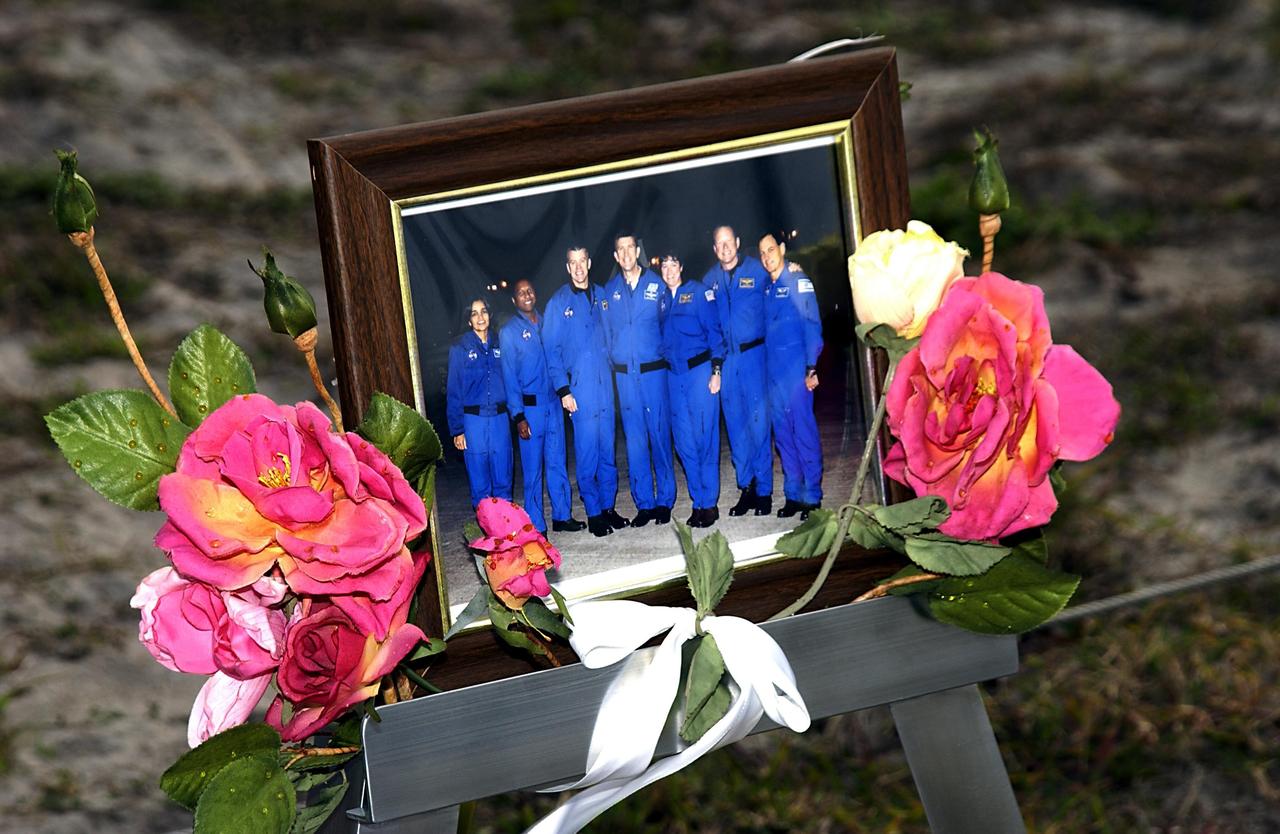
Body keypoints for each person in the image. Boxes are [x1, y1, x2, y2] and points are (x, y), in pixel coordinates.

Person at [542, 245, 629, 537]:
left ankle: (608, 507)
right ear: (568, 267)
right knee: (588, 454)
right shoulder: (558, 303)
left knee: (608, 453)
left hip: (606, 388)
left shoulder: (603, 296)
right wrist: (564, 390)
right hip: (580, 391)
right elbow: (551, 351)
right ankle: (593, 513)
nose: (578, 267)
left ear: (589, 263)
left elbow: (615, 335)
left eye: (582, 261)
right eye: (572, 263)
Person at [601, 232, 675, 526]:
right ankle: (644, 503)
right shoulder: (609, 292)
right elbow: (607, 335)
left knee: (659, 435)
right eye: (621, 249)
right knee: (634, 441)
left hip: (654, 374)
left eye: (631, 247)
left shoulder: (656, 285)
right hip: (625, 379)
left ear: (637, 251)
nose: (627, 253)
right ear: (616, 256)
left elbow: (669, 324)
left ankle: (665, 500)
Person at [499, 279, 585, 535]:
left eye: (530, 290)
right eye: (520, 292)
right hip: (530, 410)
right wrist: (518, 416)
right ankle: (536, 524)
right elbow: (509, 377)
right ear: (514, 300)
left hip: (553, 405)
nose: (526, 295)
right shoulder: (509, 332)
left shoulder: (547, 321)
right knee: (533, 470)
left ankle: (562, 515)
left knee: (558, 462)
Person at [701, 225, 772, 517]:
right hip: (728, 363)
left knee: (759, 424)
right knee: (737, 428)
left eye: (729, 242)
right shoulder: (709, 281)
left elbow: (779, 293)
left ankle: (765, 491)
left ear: (738, 243)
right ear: (715, 249)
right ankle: (747, 489)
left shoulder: (758, 272)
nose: (725, 248)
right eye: (720, 244)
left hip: (755, 357)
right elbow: (707, 326)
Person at [658, 253, 725, 528]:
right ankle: (697, 501)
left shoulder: (699, 293)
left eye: (674, 264)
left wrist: (716, 371)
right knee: (684, 443)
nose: (670, 270)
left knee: (704, 438)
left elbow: (715, 334)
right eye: (664, 266)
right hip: (674, 377)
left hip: (700, 373)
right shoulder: (662, 301)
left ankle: (709, 504)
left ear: (681, 267)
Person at [759, 232, 824, 519]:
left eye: (771, 249)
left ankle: (812, 495)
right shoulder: (766, 289)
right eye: (762, 253)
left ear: (782, 249)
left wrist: (811, 367)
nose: (767, 256)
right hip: (773, 376)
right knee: (783, 436)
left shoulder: (799, 282)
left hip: (796, 373)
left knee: (804, 431)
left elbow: (812, 326)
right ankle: (793, 495)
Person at [446, 298, 514, 508]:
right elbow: (454, 390)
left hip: (500, 419)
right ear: (469, 320)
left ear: (490, 315)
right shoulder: (460, 348)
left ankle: (506, 533)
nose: (480, 317)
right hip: (473, 421)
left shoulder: (501, 342)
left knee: (503, 475)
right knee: (480, 482)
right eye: (474, 314)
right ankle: (488, 531)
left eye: (483, 311)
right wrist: (457, 429)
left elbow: (512, 379)